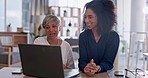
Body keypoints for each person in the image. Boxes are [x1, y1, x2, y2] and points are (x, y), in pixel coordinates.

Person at [78, 0, 120, 76]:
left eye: (90, 17)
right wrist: (85, 67)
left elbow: (108, 62)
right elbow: (82, 61)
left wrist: (98, 68)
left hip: (105, 75)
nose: (86, 20)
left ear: (101, 17)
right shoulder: (83, 36)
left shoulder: (113, 37)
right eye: (85, 17)